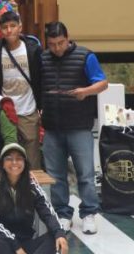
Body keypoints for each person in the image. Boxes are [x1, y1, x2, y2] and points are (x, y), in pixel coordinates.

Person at [40, 21, 109, 234]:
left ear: (68, 37)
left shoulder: (85, 56)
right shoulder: (42, 58)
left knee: (85, 173)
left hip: (79, 125)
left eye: (60, 43)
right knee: (56, 174)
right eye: (52, 44)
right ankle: (62, 213)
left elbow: (102, 83)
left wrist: (85, 91)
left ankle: (89, 213)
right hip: (52, 126)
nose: (57, 48)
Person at [0, 144, 67, 254]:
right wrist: (15, 245)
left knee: (57, 238)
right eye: (9, 158)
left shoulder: (31, 184)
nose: (14, 162)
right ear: (2, 164)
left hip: (26, 244)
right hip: (4, 244)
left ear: (25, 163)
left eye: (19, 158)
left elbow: (48, 212)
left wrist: (59, 233)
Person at [0, 11, 44, 169]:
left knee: (32, 159)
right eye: (5, 27)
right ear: (0, 30)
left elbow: (41, 79)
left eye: (13, 26)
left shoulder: (33, 49)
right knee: (10, 156)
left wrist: (41, 106)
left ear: (20, 27)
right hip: (7, 112)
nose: (9, 30)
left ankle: (34, 191)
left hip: (28, 110)